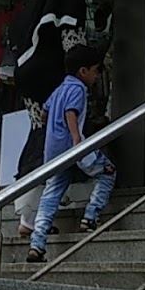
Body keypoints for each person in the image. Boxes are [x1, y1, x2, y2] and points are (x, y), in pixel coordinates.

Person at [26, 45, 116, 263]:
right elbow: (71, 113)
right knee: (107, 171)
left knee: (52, 192)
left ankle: (37, 243)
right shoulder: (78, 88)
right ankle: (91, 216)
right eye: (95, 71)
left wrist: (53, 130)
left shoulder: (59, 89)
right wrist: (76, 139)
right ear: (83, 71)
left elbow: (44, 112)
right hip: (73, 146)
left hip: (53, 151)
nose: (97, 76)